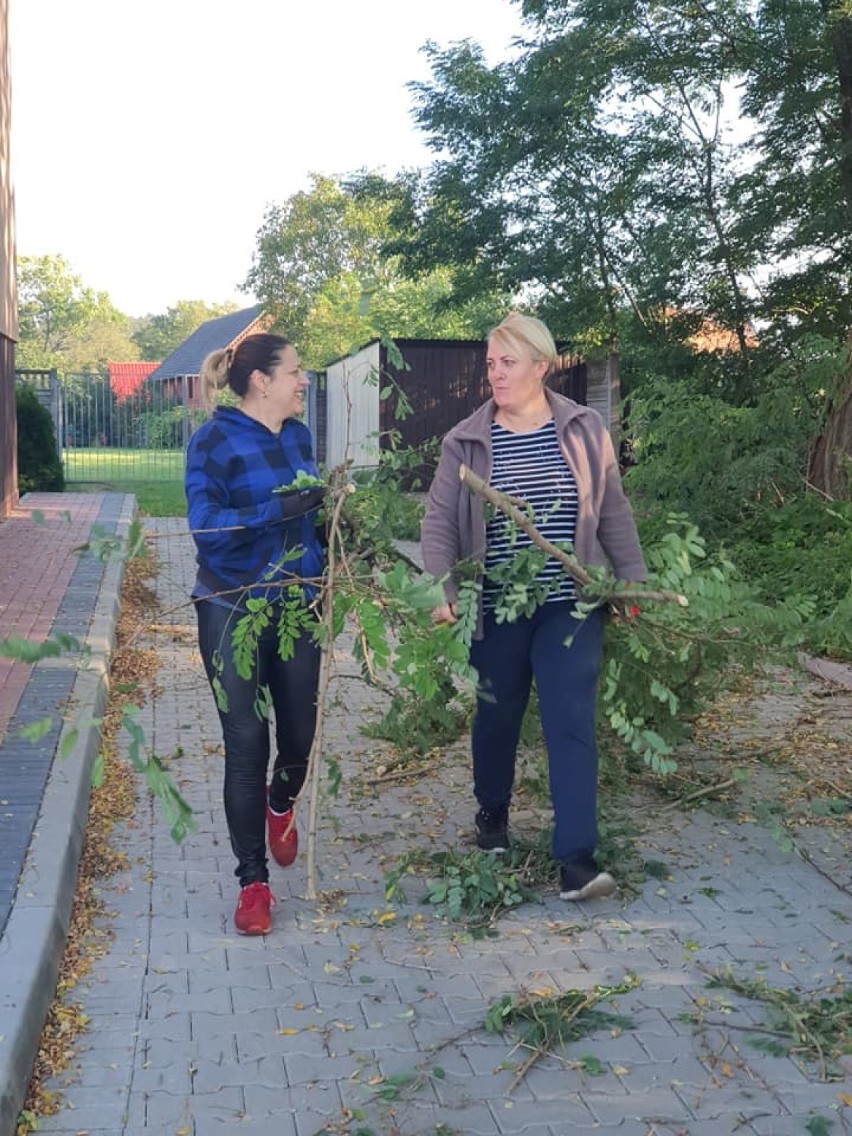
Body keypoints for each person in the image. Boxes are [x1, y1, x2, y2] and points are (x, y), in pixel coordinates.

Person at [421, 312, 647, 901]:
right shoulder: (466, 440)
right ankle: (492, 814)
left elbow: (614, 510)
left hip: (571, 601)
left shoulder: (584, 428)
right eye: (491, 363)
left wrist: (630, 581)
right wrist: (443, 587)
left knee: (569, 720)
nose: (495, 373)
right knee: (498, 714)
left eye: (507, 362)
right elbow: (440, 521)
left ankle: (576, 857)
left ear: (541, 367)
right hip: (495, 603)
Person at [185, 333, 325, 935]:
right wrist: (278, 511)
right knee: (246, 741)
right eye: (296, 370)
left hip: (297, 608)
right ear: (261, 381)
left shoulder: (298, 437)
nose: (305, 380)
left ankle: (281, 800)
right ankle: (253, 883)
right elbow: (204, 528)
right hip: (231, 606)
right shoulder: (212, 440)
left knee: (298, 734)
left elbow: (314, 522)